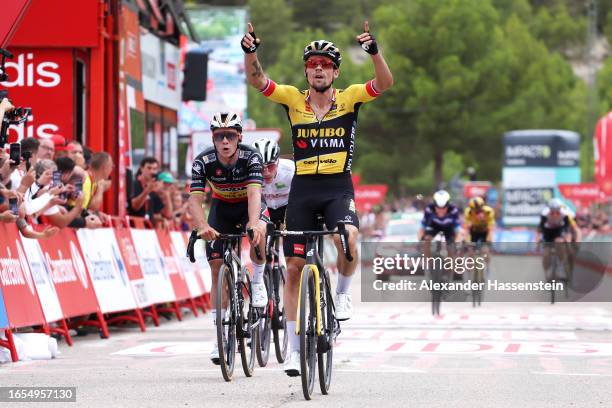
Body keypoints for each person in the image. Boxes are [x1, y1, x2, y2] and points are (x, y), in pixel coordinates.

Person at [242, 20, 393, 376]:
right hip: (304, 190)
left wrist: (375, 52)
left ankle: (341, 293)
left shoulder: (351, 96)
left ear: (335, 72)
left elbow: (385, 84)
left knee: (350, 239)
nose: (319, 68)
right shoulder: (294, 99)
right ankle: (294, 353)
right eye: (312, 64)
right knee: (293, 270)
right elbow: (257, 81)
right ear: (307, 72)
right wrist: (251, 53)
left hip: (338, 187)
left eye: (325, 64)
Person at [187, 112, 268, 365]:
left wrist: (253, 224)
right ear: (213, 138)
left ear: (239, 137)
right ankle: (220, 336)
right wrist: (202, 227)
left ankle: (256, 280)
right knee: (215, 268)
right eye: (219, 136)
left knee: (259, 233)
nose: (225, 141)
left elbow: (255, 193)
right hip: (221, 208)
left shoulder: (251, 156)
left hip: (247, 205)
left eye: (230, 136)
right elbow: (195, 200)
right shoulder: (203, 161)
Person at [251, 138, 293, 228]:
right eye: (260, 167)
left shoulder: (291, 169)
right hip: (264, 207)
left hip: (287, 206)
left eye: (270, 166)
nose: (266, 172)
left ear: (277, 162)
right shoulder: (249, 171)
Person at [418, 190, 461, 265]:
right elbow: (423, 226)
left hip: (448, 227)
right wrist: (420, 239)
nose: (441, 210)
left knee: (451, 245)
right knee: (426, 239)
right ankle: (428, 261)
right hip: (434, 226)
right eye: (438, 208)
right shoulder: (429, 209)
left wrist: (457, 241)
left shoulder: (454, 210)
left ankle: (450, 265)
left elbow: (457, 229)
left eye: (444, 208)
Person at [535, 198, 572, 280]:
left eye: (557, 211)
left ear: (560, 209)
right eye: (552, 211)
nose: (555, 214)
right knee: (546, 255)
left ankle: (562, 266)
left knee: (559, 242)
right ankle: (547, 272)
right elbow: (539, 231)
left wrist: (568, 242)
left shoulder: (564, 214)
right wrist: (537, 243)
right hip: (547, 233)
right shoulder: (544, 215)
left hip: (558, 232)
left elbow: (568, 230)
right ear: (549, 209)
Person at [128, 156, 173, 223]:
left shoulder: (154, 189)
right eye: (149, 168)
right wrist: (146, 191)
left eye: (154, 169)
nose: (152, 171)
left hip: (148, 229)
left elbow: (168, 215)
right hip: (134, 228)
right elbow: (134, 206)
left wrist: (167, 195)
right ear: (141, 168)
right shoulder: (134, 184)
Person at [462, 196, 495, 268]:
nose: (478, 212)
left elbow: (490, 228)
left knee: (485, 250)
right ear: (471, 209)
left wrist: (489, 239)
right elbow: (466, 228)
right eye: (476, 211)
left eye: (480, 209)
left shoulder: (489, 212)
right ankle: (469, 273)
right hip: (474, 231)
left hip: (485, 231)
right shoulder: (468, 212)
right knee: (470, 252)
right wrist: (465, 239)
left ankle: (487, 268)